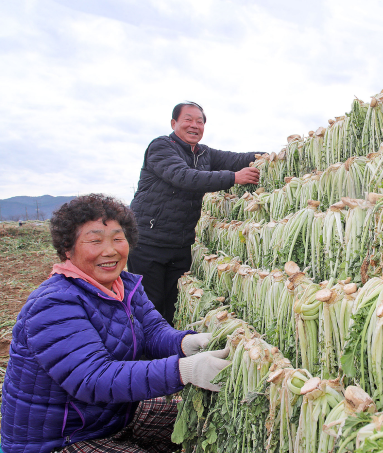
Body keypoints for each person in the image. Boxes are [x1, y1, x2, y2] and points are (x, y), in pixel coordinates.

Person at [1, 194, 229, 453]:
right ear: (67, 248)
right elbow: (93, 378)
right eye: (95, 240)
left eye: (118, 239)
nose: (110, 250)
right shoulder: (53, 303)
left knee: (208, 419)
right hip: (63, 440)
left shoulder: (125, 286)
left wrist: (186, 343)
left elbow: (154, 332)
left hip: (111, 418)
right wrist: (184, 370)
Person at [128, 101, 261, 325]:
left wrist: (274, 155)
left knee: (172, 304)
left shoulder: (203, 153)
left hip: (180, 244)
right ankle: (143, 357)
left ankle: (168, 355)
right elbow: (184, 177)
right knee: (149, 306)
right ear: (174, 123)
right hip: (148, 242)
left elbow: (237, 158)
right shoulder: (161, 146)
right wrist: (233, 177)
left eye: (199, 121)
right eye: (188, 120)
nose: (194, 125)